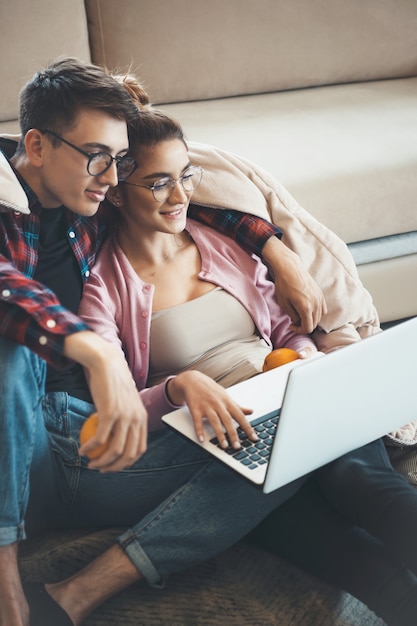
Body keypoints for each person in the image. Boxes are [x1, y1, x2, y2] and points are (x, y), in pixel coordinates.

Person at [0, 57, 326, 626]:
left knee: (292, 440)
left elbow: (175, 198)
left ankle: (76, 593)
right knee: (8, 349)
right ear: (37, 143)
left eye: (118, 162)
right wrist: (93, 350)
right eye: (98, 158)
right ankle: (6, 585)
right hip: (19, 437)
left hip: (92, 447)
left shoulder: (92, 196)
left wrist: (276, 250)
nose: (109, 178)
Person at [78, 94, 417, 626]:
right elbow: (113, 401)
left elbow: (288, 329)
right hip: (225, 441)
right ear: (117, 193)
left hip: (299, 398)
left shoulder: (224, 244)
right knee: (342, 552)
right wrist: (176, 387)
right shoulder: (102, 285)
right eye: (159, 182)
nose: (180, 195)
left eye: (186, 176)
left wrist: (295, 361)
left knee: (363, 484)